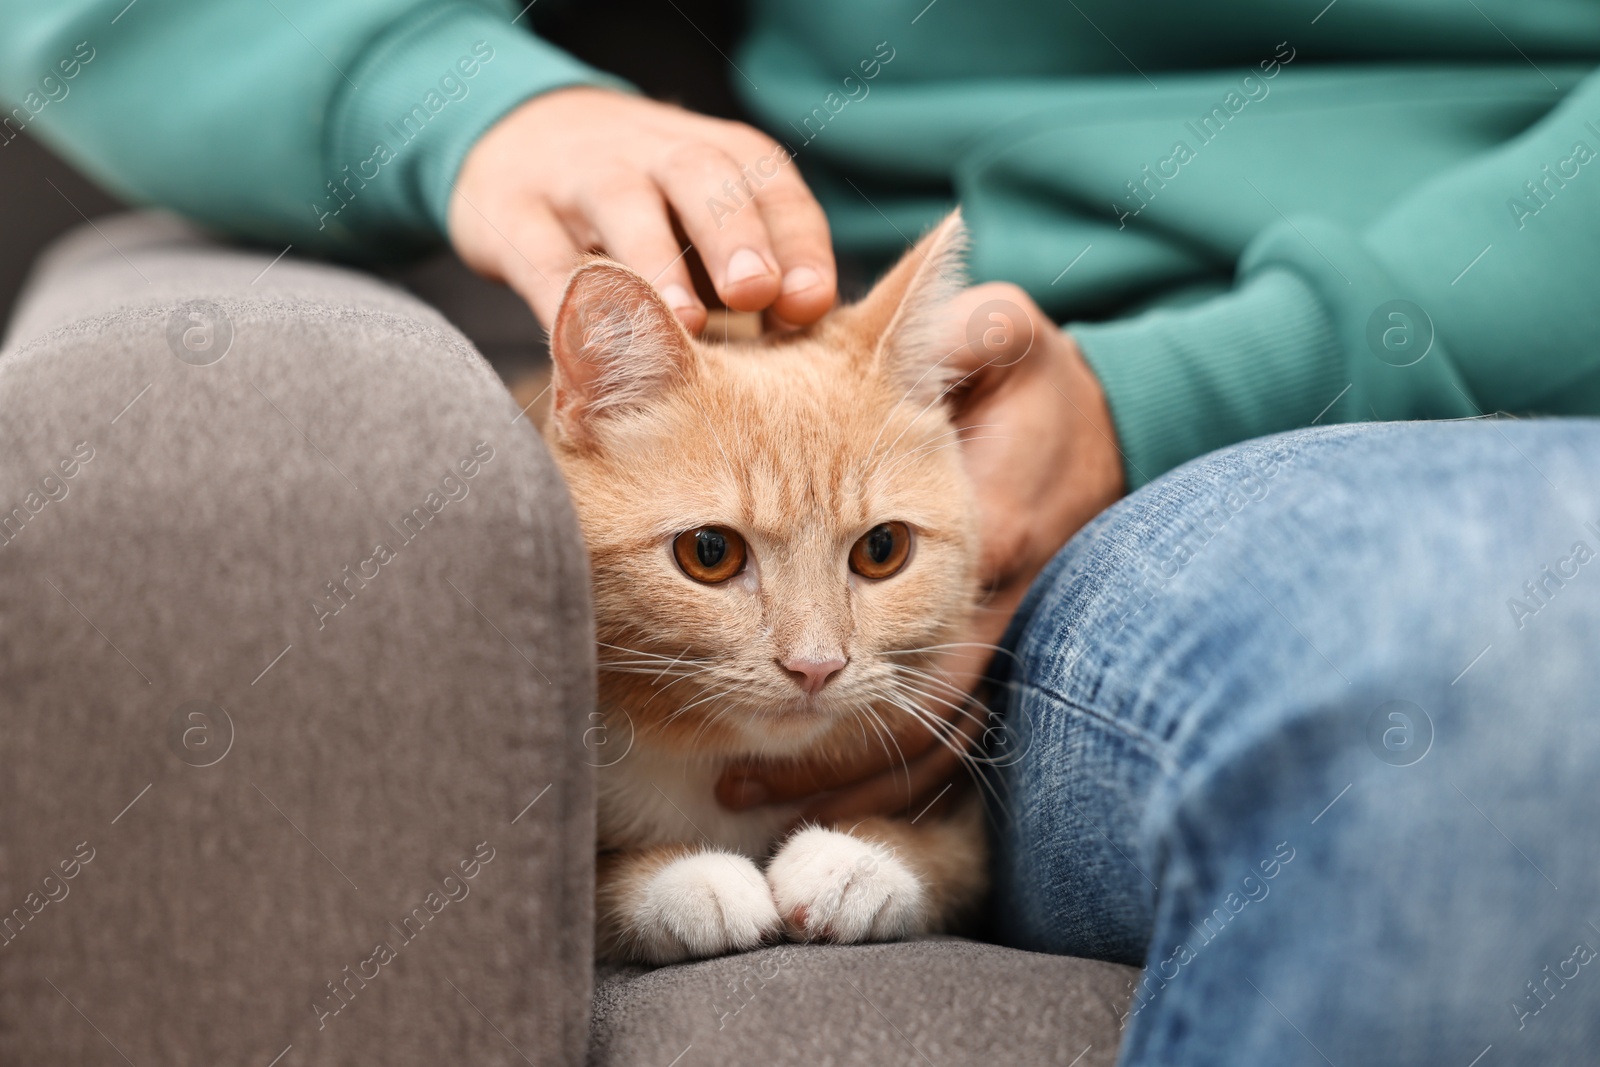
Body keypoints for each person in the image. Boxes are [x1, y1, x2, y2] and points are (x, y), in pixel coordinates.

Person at [5, 1, 1600, 1063]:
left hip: (1388, 407)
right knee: (1492, 649)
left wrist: (1195, 385)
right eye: (712, 562)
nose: (810, 648)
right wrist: (460, 98)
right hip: (999, 405)